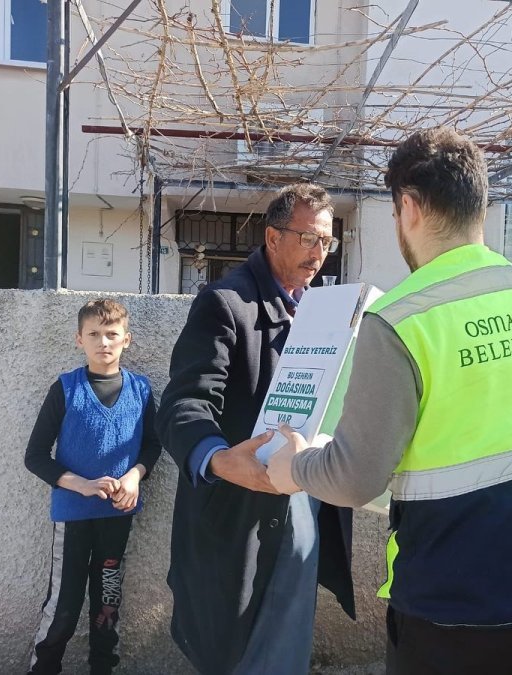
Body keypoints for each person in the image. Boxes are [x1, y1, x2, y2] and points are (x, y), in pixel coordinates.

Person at [267, 127, 512, 675]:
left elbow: (355, 478)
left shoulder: (400, 318)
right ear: (479, 208)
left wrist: (294, 467)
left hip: (459, 609)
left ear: (409, 206)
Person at [155, 183, 355, 675]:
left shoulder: (325, 310)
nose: (318, 253)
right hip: (240, 510)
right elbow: (183, 405)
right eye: (307, 239)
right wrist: (220, 458)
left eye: (326, 242)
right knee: (239, 650)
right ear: (272, 236)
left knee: (288, 640)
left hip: (305, 495)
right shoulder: (225, 303)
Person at [24, 298, 162, 675]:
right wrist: (80, 485)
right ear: (79, 339)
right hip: (73, 517)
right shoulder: (66, 389)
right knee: (64, 607)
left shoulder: (141, 390)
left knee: (107, 605)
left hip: (117, 516)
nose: (104, 342)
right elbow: (35, 456)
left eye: (112, 335)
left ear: (126, 340)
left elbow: (153, 444)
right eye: (94, 334)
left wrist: (135, 476)